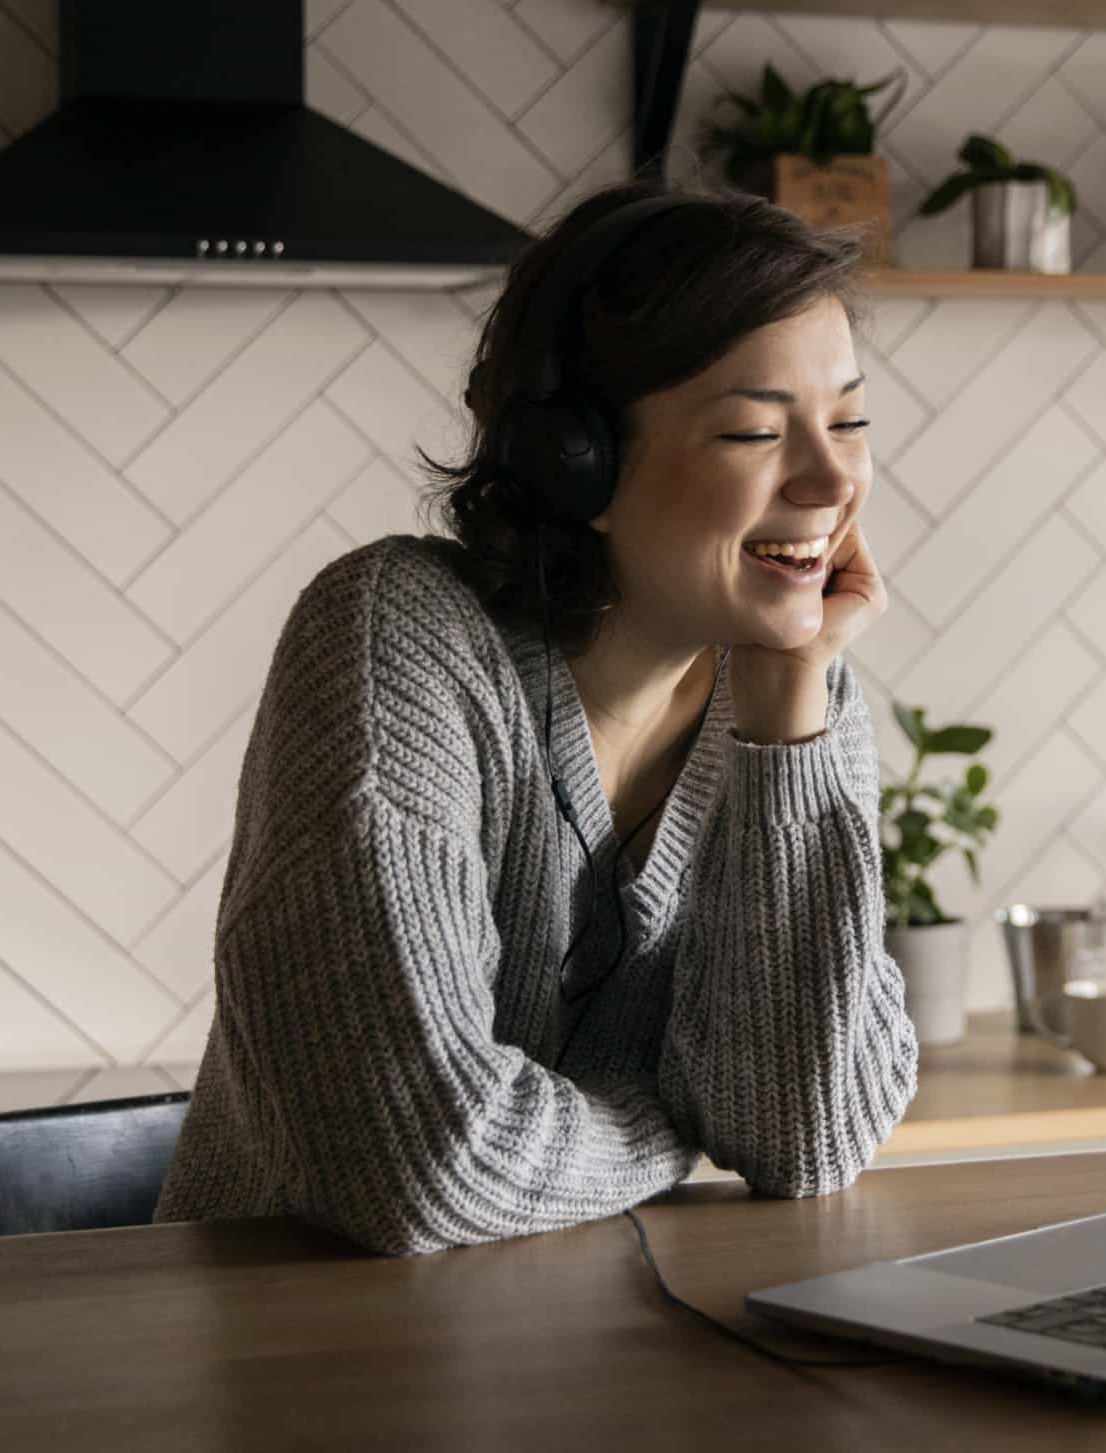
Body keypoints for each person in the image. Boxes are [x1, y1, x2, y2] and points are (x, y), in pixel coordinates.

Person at [151, 182, 921, 1256]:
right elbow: (423, 1163)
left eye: (849, 419)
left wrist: (790, 722)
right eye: (755, 430)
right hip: (297, 1365)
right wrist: (669, 1121)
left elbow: (803, 1139)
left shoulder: (801, 703)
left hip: (594, 1361)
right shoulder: (398, 639)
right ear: (577, 463)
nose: (834, 478)